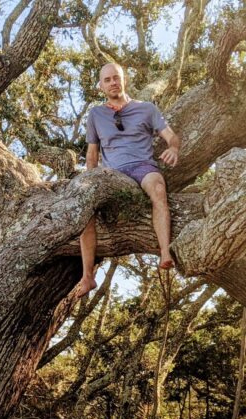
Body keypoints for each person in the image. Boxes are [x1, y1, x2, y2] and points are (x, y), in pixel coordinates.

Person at [78, 63, 182, 295]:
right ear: (101, 86)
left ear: (124, 79)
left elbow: (171, 137)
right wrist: (89, 182)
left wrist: (173, 149)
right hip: (112, 174)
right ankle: (87, 277)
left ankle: (165, 253)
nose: (113, 82)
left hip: (143, 167)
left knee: (158, 187)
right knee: (84, 210)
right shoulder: (96, 114)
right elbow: (92, 154)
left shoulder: (147, 109)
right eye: (107, 80)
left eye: (116, 77)